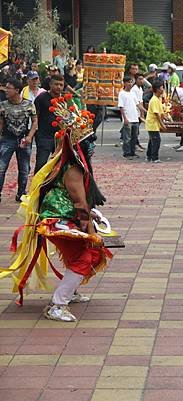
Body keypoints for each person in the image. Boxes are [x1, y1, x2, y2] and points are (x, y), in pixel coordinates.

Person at [0, 96, 111, 322]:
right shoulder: (73, 169)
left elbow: (82, 205)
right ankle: (58, 305)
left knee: (83, 253)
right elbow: (80, 204)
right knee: (88, 253)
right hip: (57, 219)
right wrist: (91, 231)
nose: (92, 146)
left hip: (61, 217)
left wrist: (92, 218)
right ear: (79, 146)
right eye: (89, 142)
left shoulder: (72, 164)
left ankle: (70, 292)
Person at [0, 78, 38, 203]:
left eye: (9, 88)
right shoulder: (3, 105)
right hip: (7, 139)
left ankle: (21, 193)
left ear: (17, 90)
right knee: (1, 167)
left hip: (24, 139)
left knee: (24, 169)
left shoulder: (28, 104)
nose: (6, 90)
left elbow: (34, 122)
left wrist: (29, 136)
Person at [34, 74, 64, 173]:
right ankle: (37, 187)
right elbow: (35, 117)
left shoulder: (64, 100)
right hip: (44, 137)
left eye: (61, 85)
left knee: (60, 165)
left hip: (60, 137)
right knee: (41, 164)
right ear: (50, 84)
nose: (58, 87)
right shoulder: (41, 98)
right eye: (56, 84)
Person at [118, 76, 140, 159]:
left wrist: (144, 112)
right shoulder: (122, 93)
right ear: (125, 83)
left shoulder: (133, 93)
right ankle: (126, 153)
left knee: (134, 137)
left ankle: (132, 152)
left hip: (135, 117)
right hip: (128, 118)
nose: (130, 84)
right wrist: (125, 118)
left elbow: (138, 104)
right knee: (127, 138)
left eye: (131, 82)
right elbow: (121, 107)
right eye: (128, 82)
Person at [145, 81, 166, 163]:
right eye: (161, 88)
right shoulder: (154, 100)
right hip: (152, 124)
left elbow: (161, 112)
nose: (163, 90)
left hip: (154, 124)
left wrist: (166, 118)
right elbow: (156, 114)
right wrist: (162, 124)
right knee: (156, 140)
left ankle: (149, 156)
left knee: (152, 140)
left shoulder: (157, 99)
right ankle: (154, 158)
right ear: (157, 90)